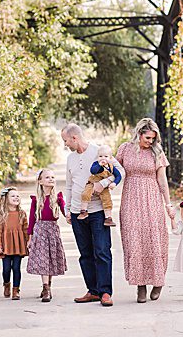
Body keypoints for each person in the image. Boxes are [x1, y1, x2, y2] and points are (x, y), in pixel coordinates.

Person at [116, 117, 176, 303]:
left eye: (153, 139)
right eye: (148, 138)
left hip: (151, 199)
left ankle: (158, 281)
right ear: (139, 134)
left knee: (154, 240)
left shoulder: (156, 153)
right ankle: (140, 286)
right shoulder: (125, 149)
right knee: (135, 240)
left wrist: (168, 204)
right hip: (130, 199)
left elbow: (163, 180)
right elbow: (115, 170)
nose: (150, 142)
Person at [62, 123, 120, 307]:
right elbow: (70, 185)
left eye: (65, 141)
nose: (65, 145)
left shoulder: (99, 151)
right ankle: (92, 290)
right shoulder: (70, 158)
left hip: (98, 211)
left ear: (74, 138)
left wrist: (103, 184)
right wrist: (68, 209)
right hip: (78, 212)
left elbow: (121, 172)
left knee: (102, 251)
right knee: (85, 253)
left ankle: (105, 292)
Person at [26, 169, 68, 303]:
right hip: (40, 231)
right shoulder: (36, 199)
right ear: (40, 181)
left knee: (50, 259)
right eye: (47, 177)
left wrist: (70, 216)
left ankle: (48, 286)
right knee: (43, 258)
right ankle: (45, 288)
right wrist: (30, 237)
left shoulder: (58, 198)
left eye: (53, 177)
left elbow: (65, 212)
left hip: (53, 231)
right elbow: (32, 219)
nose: (51, 179)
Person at [0, 187, 28, 300]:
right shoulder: (2, 214)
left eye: (17, 196)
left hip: (18, 246)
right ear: (6, 199)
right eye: (13, 196)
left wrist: (28, 242)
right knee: (6, 269)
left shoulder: (22, 214)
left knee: (16, 268)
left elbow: (25, 230)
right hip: (6, 246)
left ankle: (16, 290)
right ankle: (6, 284)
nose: (16, 197)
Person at [77, 144, 121, 227]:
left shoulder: (111, 167)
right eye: (100, 156)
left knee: (107, 199)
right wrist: (99, 165)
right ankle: (83, 211)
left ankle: (108, 218)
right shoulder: (96, 164)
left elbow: (118, 176)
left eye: (106, 156)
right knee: (85, 193)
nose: (103, 158)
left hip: (104, 187)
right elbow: (93, 171)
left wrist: (114, 183)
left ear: (111, 158)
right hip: (92, 183)